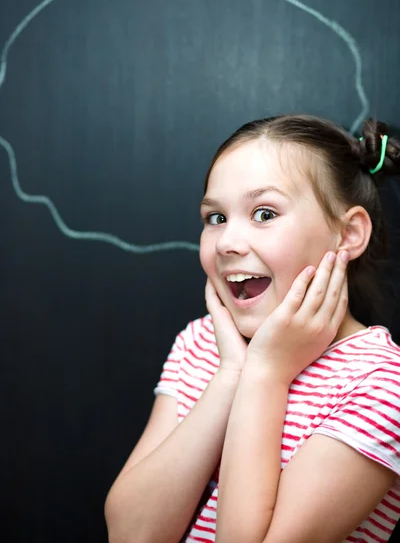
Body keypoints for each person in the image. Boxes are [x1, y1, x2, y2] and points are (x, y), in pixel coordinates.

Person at [105, 115, 400, 543]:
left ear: (348, 234)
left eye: (264, 213)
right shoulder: (202, 344)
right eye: (216, 218)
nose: (226, 242)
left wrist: (266, 373)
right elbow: (130, 534)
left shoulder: (382, 382)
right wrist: (231, 374)